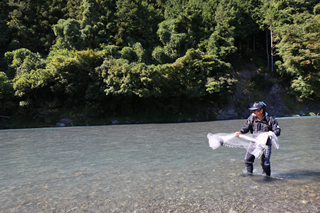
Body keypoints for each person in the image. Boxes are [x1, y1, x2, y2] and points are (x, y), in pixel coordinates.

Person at [234, 101, 281, 176]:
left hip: (265, 145)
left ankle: (267, 179)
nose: (253, 112)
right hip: (254, 143)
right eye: (252, 110)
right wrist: (240, 132)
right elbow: (246, 127)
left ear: (261, 111)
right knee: (247, 160)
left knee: (265, 163)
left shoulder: (271, 119)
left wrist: (270, 133)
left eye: (254, 110)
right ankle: (249, 176)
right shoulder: (251, 118)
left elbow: (278, 131)